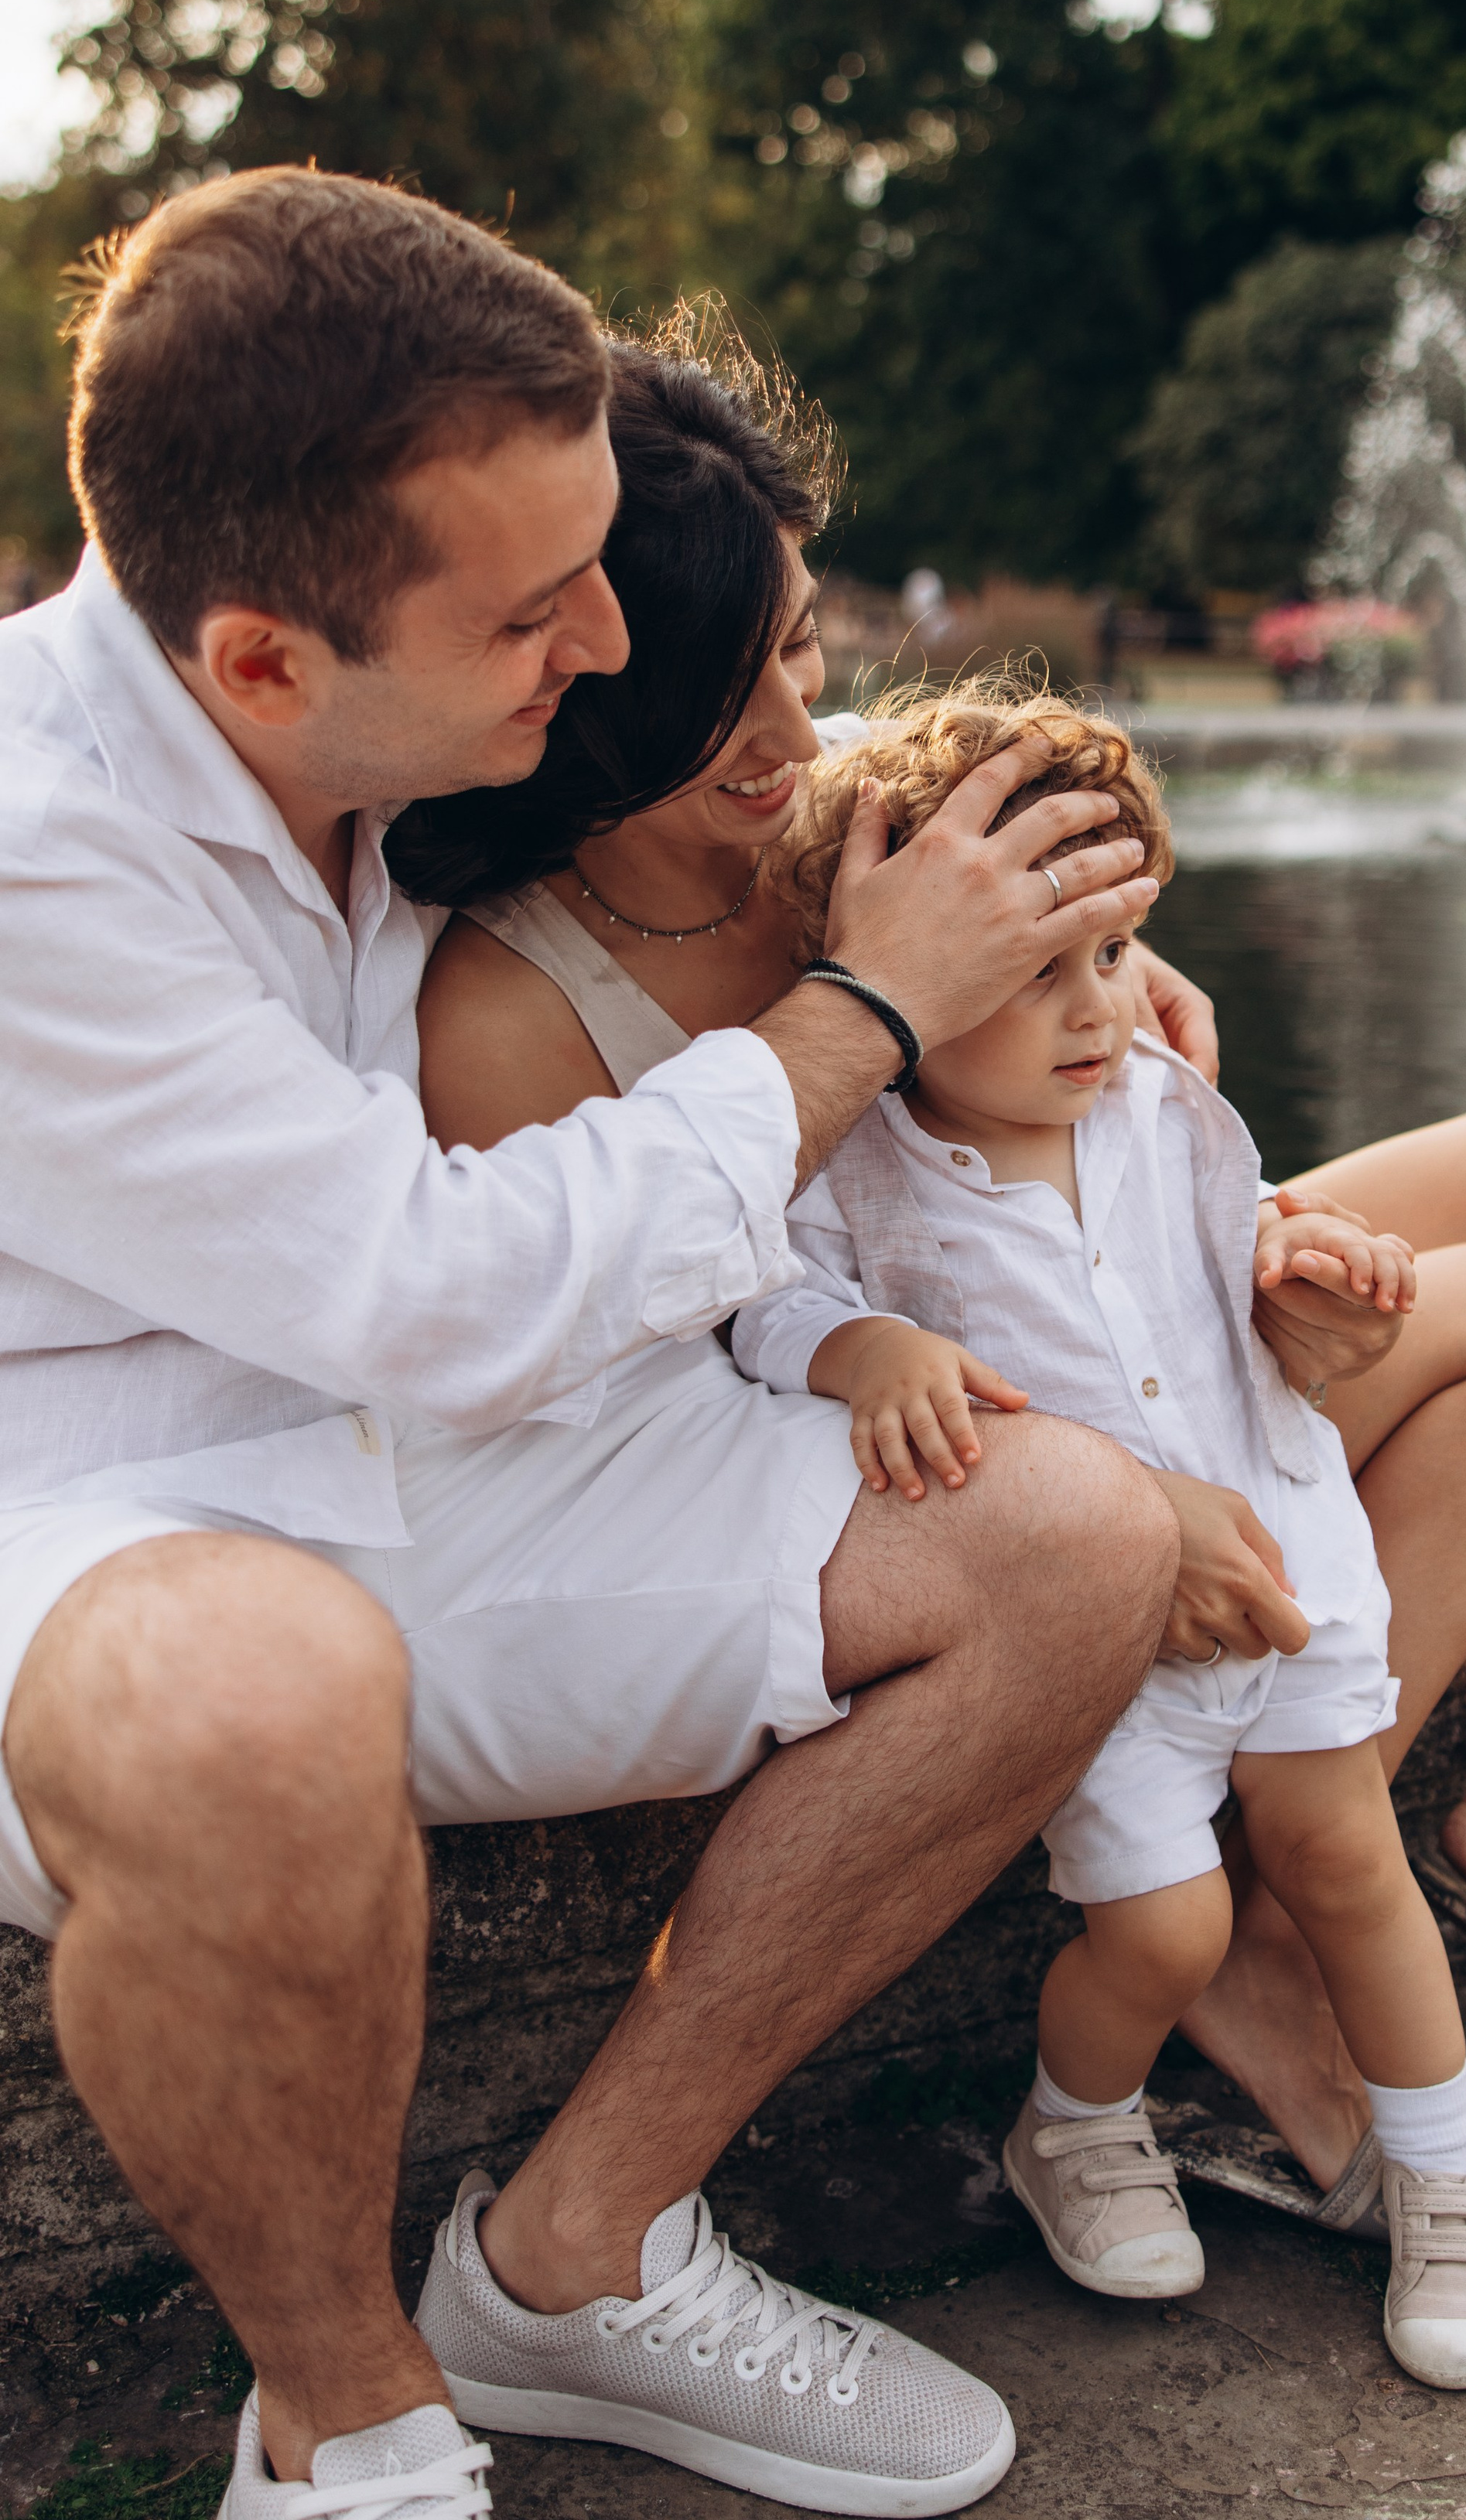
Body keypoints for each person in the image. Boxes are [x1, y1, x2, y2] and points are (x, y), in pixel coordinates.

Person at [0, 172, 1265, 2520]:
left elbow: (748, 720)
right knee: (255, 1684)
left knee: (1063, 1533)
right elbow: (443, 1285)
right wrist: (878, 1011)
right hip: (83, 1519)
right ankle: (350, 2419)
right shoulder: (33, 853)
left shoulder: (391, 681)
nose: (599, 634)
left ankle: (574, 2258)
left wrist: (1061, 930)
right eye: (536, 607)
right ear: (265, 659)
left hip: (443, 1468)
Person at [412, 314, 1466, 2175]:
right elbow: (671, 1420)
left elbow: (1089, 1014)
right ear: (586, 684)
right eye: (736, 688)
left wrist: (1096, 975)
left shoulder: (868, 788)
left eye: (804, 644)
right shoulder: (508, 1013)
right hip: (911, 1415)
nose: (808, 733)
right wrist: (1111, 1494)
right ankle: (1276, 1911)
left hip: (1049, 1268)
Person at [729, 689, 1466, 2391]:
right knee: (1161, 1932)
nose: (1096, 1010)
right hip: (1101, 1638)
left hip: (1281, 1545)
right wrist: (857, 1345)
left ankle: (1447, 2170)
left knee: (1345, 1858)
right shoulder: (861, 1163)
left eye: (1109, 954)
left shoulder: (1160, 1100)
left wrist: (1310, 1277)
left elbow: (1237, 1252)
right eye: (1032, 975)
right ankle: (1072, 2121)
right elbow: (760, 1295)